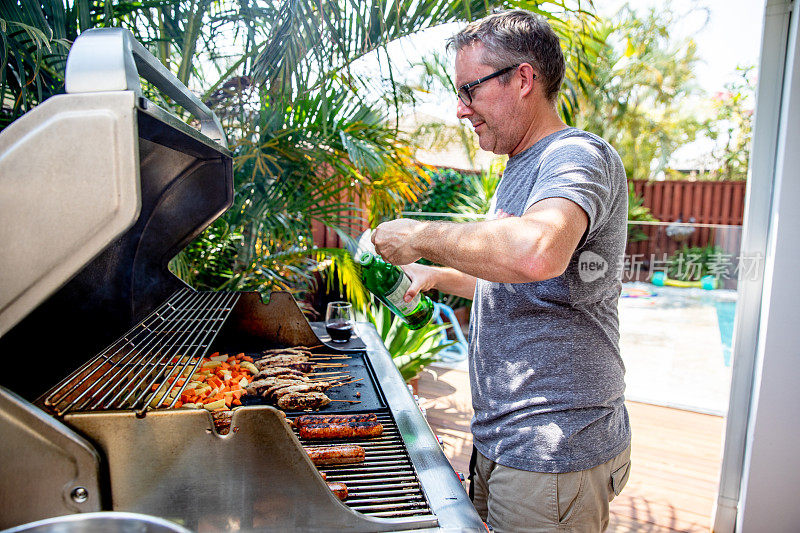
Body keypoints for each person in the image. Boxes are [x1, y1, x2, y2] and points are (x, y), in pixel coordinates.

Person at [371, 9, 631, 533]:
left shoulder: (576, 156)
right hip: (502, 440)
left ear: (522, 79)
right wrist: (439, 276)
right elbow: (530, 284)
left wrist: (422, 237)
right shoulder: (520, 166)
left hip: (553, 446)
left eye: (469, 90)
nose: (461, 109)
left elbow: (535, 253)